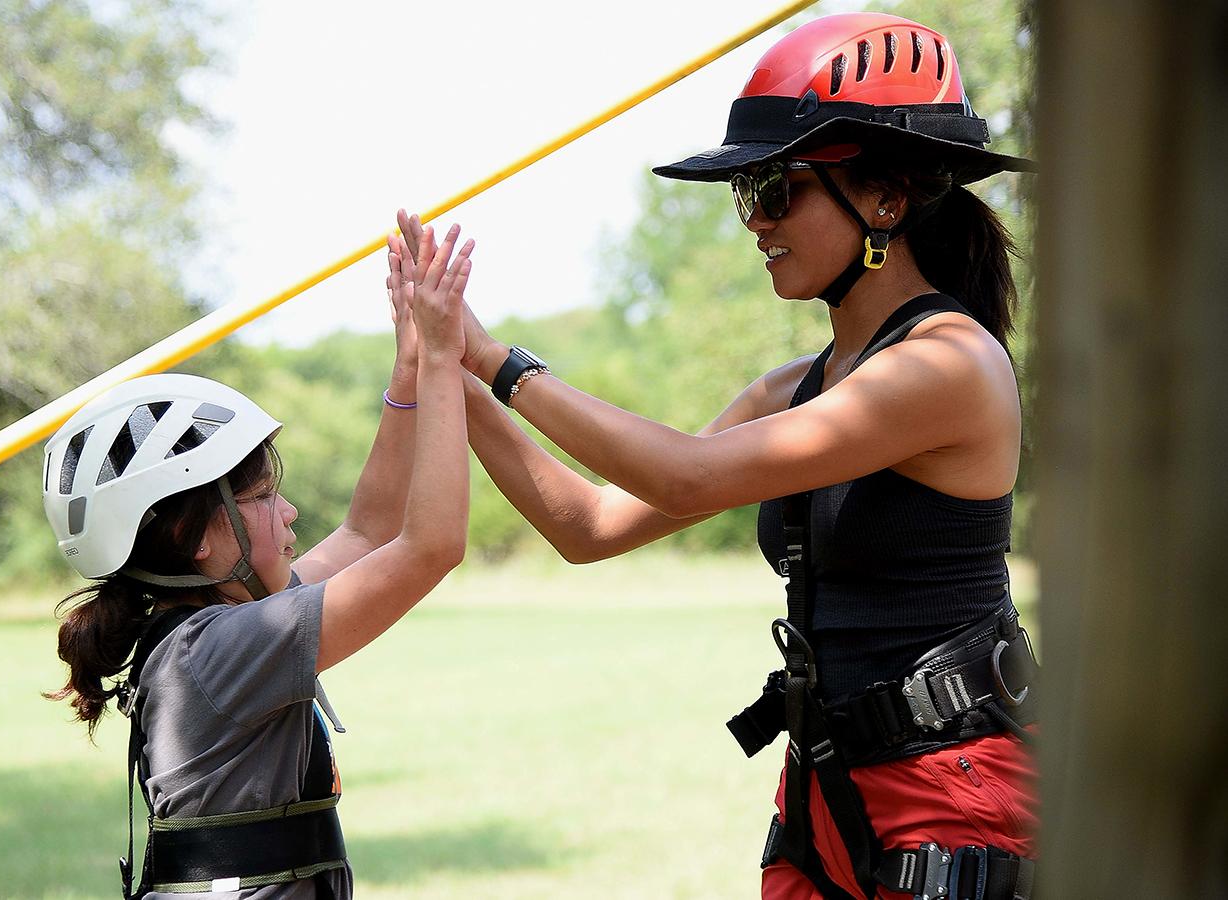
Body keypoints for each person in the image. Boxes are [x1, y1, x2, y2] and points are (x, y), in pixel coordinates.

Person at [397, 13, 1038, 900]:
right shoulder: (791, 391)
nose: (755, 221)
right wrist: (447, 363)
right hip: (825, 790)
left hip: (948, 795)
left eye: (778, 189)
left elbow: (683, 475)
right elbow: (590, 525)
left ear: (887, 200)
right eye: (748, 195)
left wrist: (496, 360)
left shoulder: (949, 365)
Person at [41, 228, 473, 899]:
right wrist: (447, 359)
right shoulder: (221, 649)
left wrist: (411, 368)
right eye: (265, 497)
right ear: (195, 540)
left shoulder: (212, 629)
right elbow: (431, 545)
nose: (293, 512)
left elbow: (368, 531)